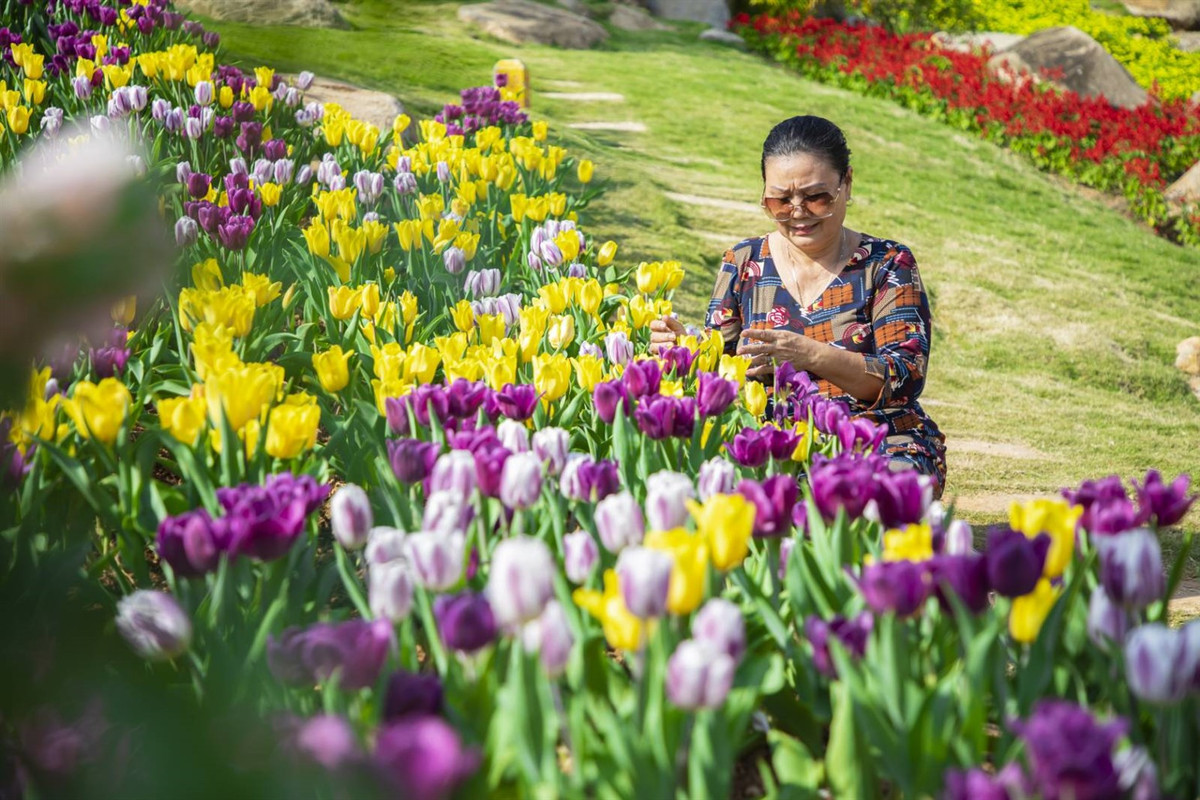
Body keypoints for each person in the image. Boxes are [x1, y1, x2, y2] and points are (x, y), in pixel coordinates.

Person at [650, 115, 947, 497]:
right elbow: (721, 371)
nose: (797, 212)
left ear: (847, 184)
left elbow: (903, 379)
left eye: (815, 196)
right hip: (774, 437)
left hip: (874, 437)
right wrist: (686, 350)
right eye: (779, 200)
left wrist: (807, 354)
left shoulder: (886, 264)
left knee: (873, 491)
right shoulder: (743, 262)